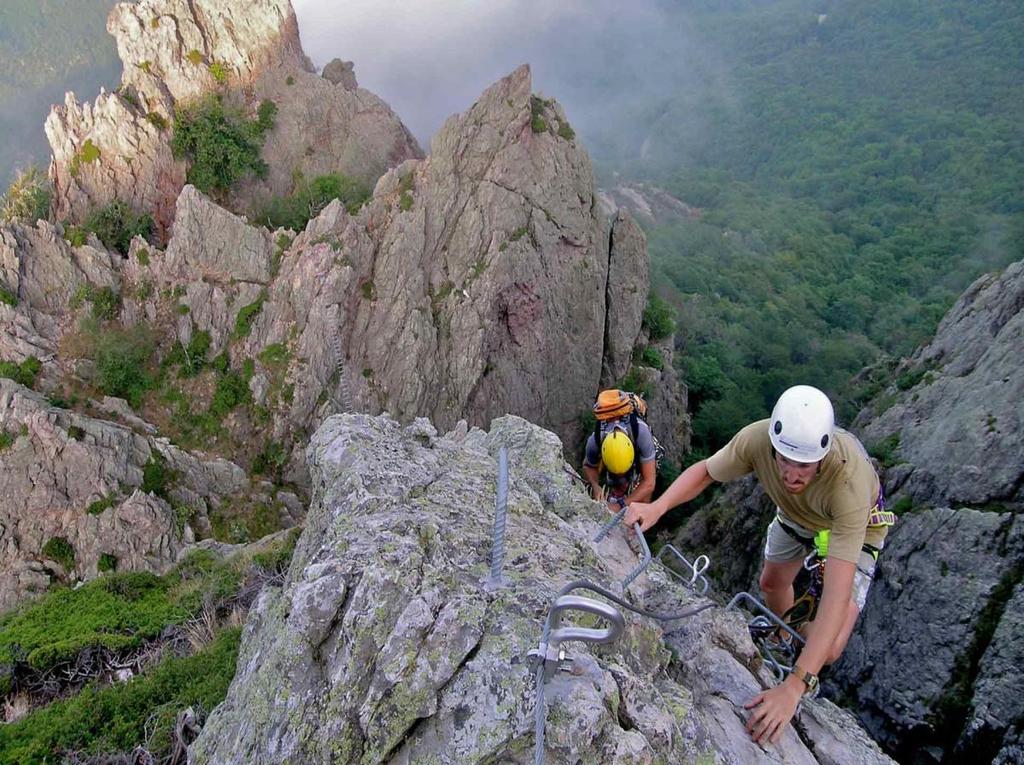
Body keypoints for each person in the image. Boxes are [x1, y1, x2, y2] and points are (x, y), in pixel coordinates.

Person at [624, 384, 892, 745]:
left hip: (856, 530)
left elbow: (836, 592)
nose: (792, 475)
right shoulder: (757, 440)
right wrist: (657, 508)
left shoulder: (849, 483)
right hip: (797, 515)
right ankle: (784, 638)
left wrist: (796, 685)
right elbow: (706, 472)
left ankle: (805, 657)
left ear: (823, 457)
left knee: (828, 649)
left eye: (804, 466)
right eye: (784, 460)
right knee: (771, 583)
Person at [582, 415, 657, 513]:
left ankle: (640, 521)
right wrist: (595, 486)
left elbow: (649, 483)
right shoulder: (595, 441)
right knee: (615, 484)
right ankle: (616, 489)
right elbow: (588, 466)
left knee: (644, 496)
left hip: (638, 451)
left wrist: (620, 506)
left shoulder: (642, 434)